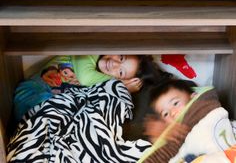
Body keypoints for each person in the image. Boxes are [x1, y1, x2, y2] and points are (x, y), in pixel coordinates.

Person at [14, 54, 167, 122]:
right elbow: (86, 77)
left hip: (49, 109)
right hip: (32, 94)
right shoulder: (90, 54)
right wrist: (120, 85)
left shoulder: (101, 84)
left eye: (120, 72)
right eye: (121, 57)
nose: (113, 64)